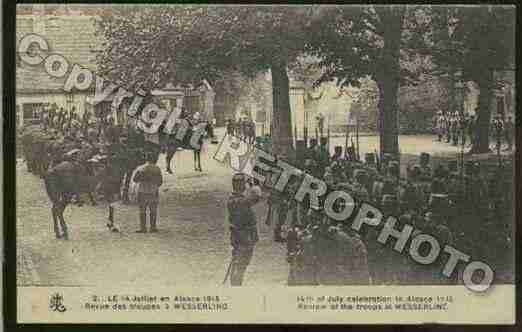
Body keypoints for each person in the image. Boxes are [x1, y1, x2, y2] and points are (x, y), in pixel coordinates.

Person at [226, 173, 264, 286]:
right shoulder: (238, 201)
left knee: (240, 263)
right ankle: (236, 287)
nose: (245, 186)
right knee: (240, 264)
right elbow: (256, 196)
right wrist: (254, 185)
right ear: (240, 185)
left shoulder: (236, 199)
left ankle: (236, 284)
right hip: (243, 237)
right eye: (243, 183)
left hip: (242, 236)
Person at [132, 151, 163, 233]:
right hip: (153, 191)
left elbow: (135, 179)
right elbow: (160, 182)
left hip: (142, 191)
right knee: (153, 210)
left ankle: (143, 228)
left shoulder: (140, 168)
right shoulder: (157, 169)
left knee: (142, 210)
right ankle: (153, 227)